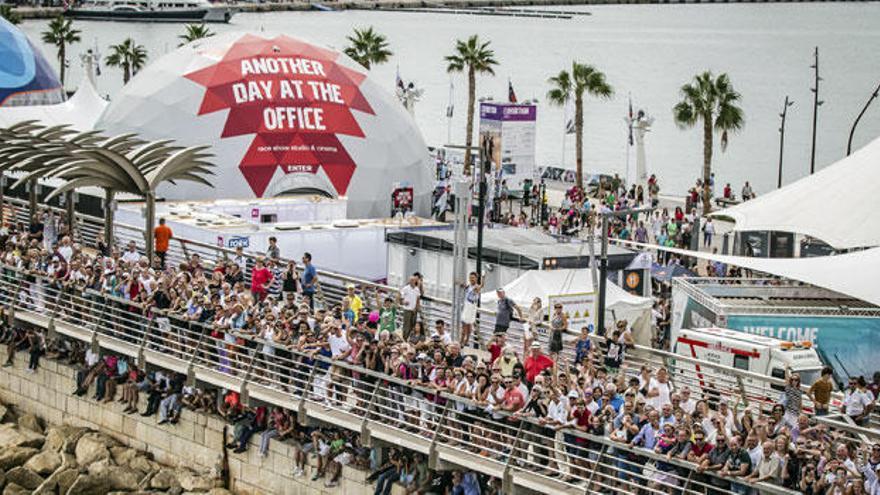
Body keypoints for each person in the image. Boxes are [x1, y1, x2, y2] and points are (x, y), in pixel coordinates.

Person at [399, 274, 422, 341]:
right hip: (407, 309)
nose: (412, 281)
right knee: (406, 325)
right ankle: (405, 338)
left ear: (415, 281)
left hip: (414, 310)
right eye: (411, 280)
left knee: (413, 325)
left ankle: (411, 338)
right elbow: (401, 299)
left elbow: (418, 300)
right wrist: (404, 302)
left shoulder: (417, 289)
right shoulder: (406, 288)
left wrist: (417, 308)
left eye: (413, 280)